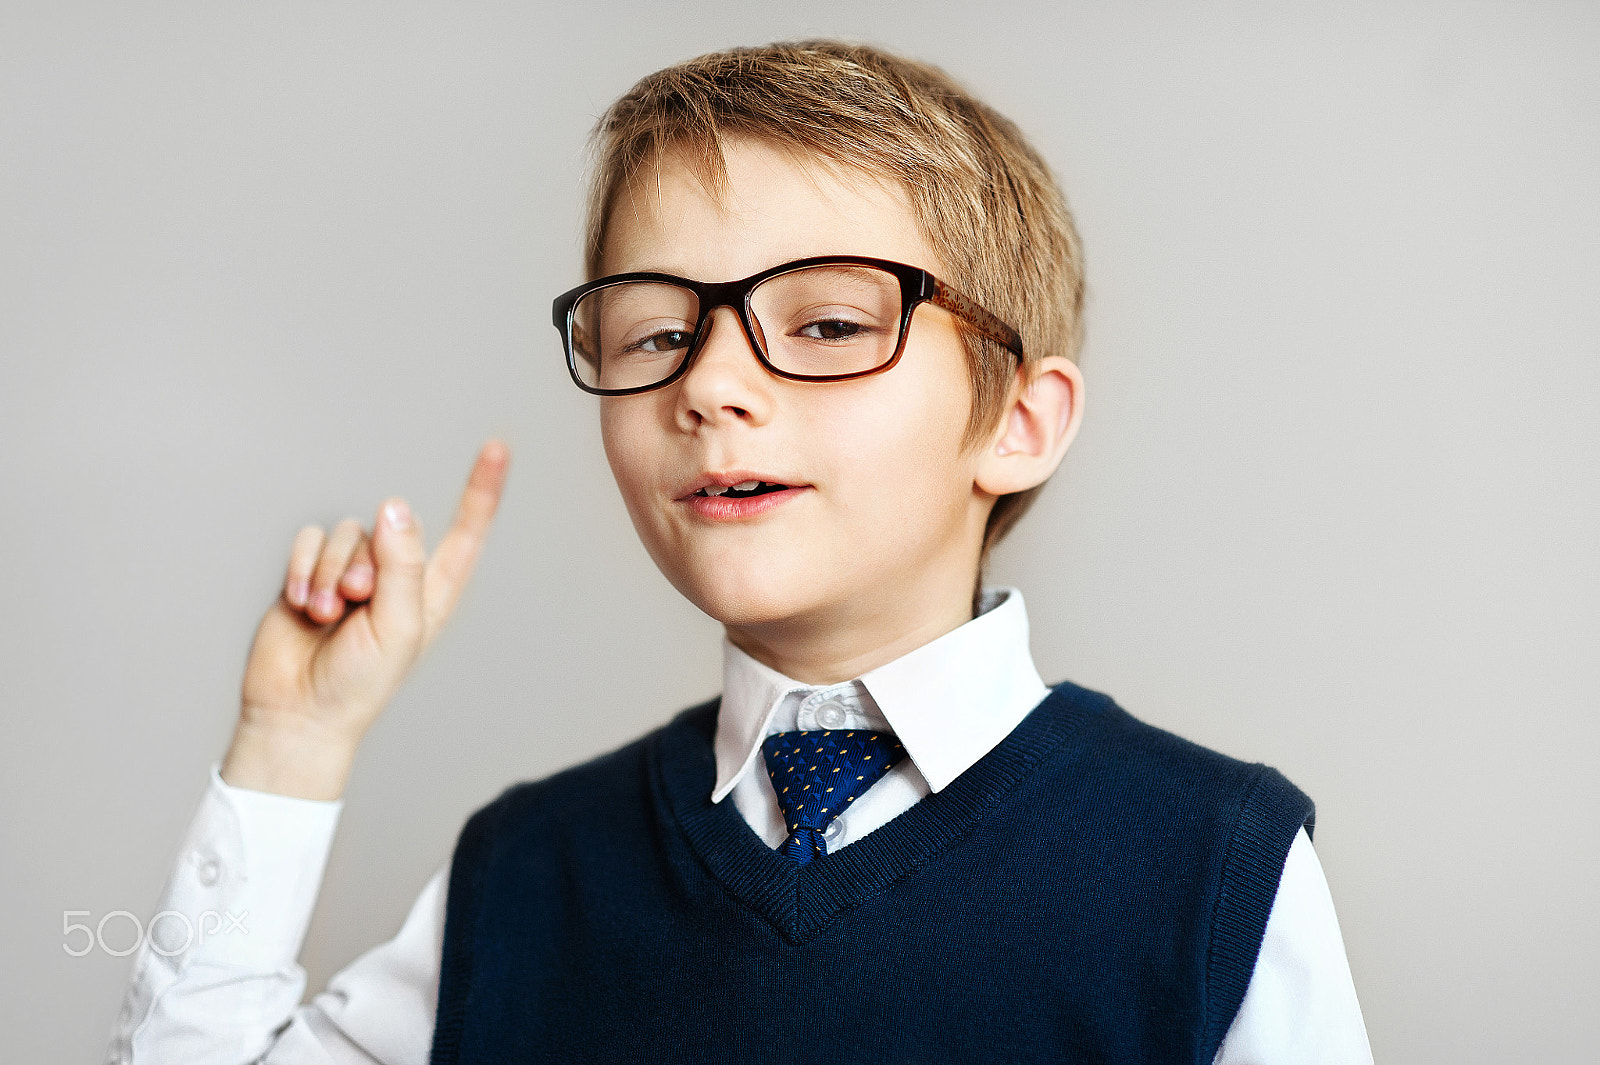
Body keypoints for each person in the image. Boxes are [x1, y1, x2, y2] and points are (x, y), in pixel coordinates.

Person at [108, 40, 1372, 1063]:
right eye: (654, 334)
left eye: (823, 323)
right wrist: (290, 748)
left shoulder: (1209, 861)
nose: (710, 385)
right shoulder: (527, 871)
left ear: (1017, 422)